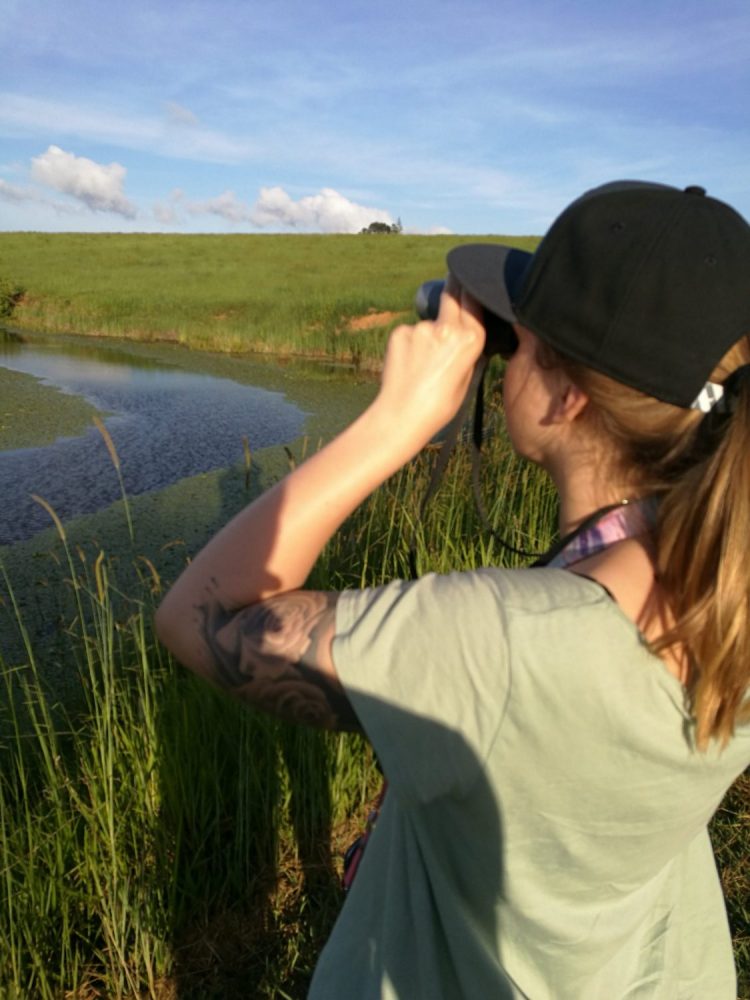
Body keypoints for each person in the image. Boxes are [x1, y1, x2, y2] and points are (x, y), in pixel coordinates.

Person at [155, 180, 750, 999]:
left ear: (568, 394)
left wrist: (396, 421)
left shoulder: (498, 644)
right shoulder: (728, 578)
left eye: (521, 339)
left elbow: (199, 617)